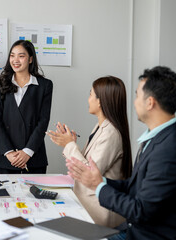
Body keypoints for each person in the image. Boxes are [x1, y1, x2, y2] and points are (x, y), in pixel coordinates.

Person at [67, 66, 176, 239]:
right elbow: (133, 187)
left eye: (137, 96)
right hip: (134, 230)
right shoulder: (159, 138)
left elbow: (140, 211)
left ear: (150, 103)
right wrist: (100, 181)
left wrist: (98, 187)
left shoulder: (169, 151)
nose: (134, 102)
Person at [46, 76, 132, 228]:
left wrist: (69, 145)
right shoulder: (101, 127)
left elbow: (89, 173)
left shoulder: (111, 133)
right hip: (88, 205)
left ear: (100, 101)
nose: (88, 99)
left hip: (101, 213)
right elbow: (88, 162)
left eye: (90, 94)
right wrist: (70, 144)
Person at [0, 40, 53, 174]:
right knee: (8, 194)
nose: (15, 60)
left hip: (34, 155)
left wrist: (27, 151)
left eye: (21, 56)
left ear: (30, 59)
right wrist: (8, 152)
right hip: (7, 157)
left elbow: (43, 121)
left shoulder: (44, 85)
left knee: (33, 194)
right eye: (12, 55)